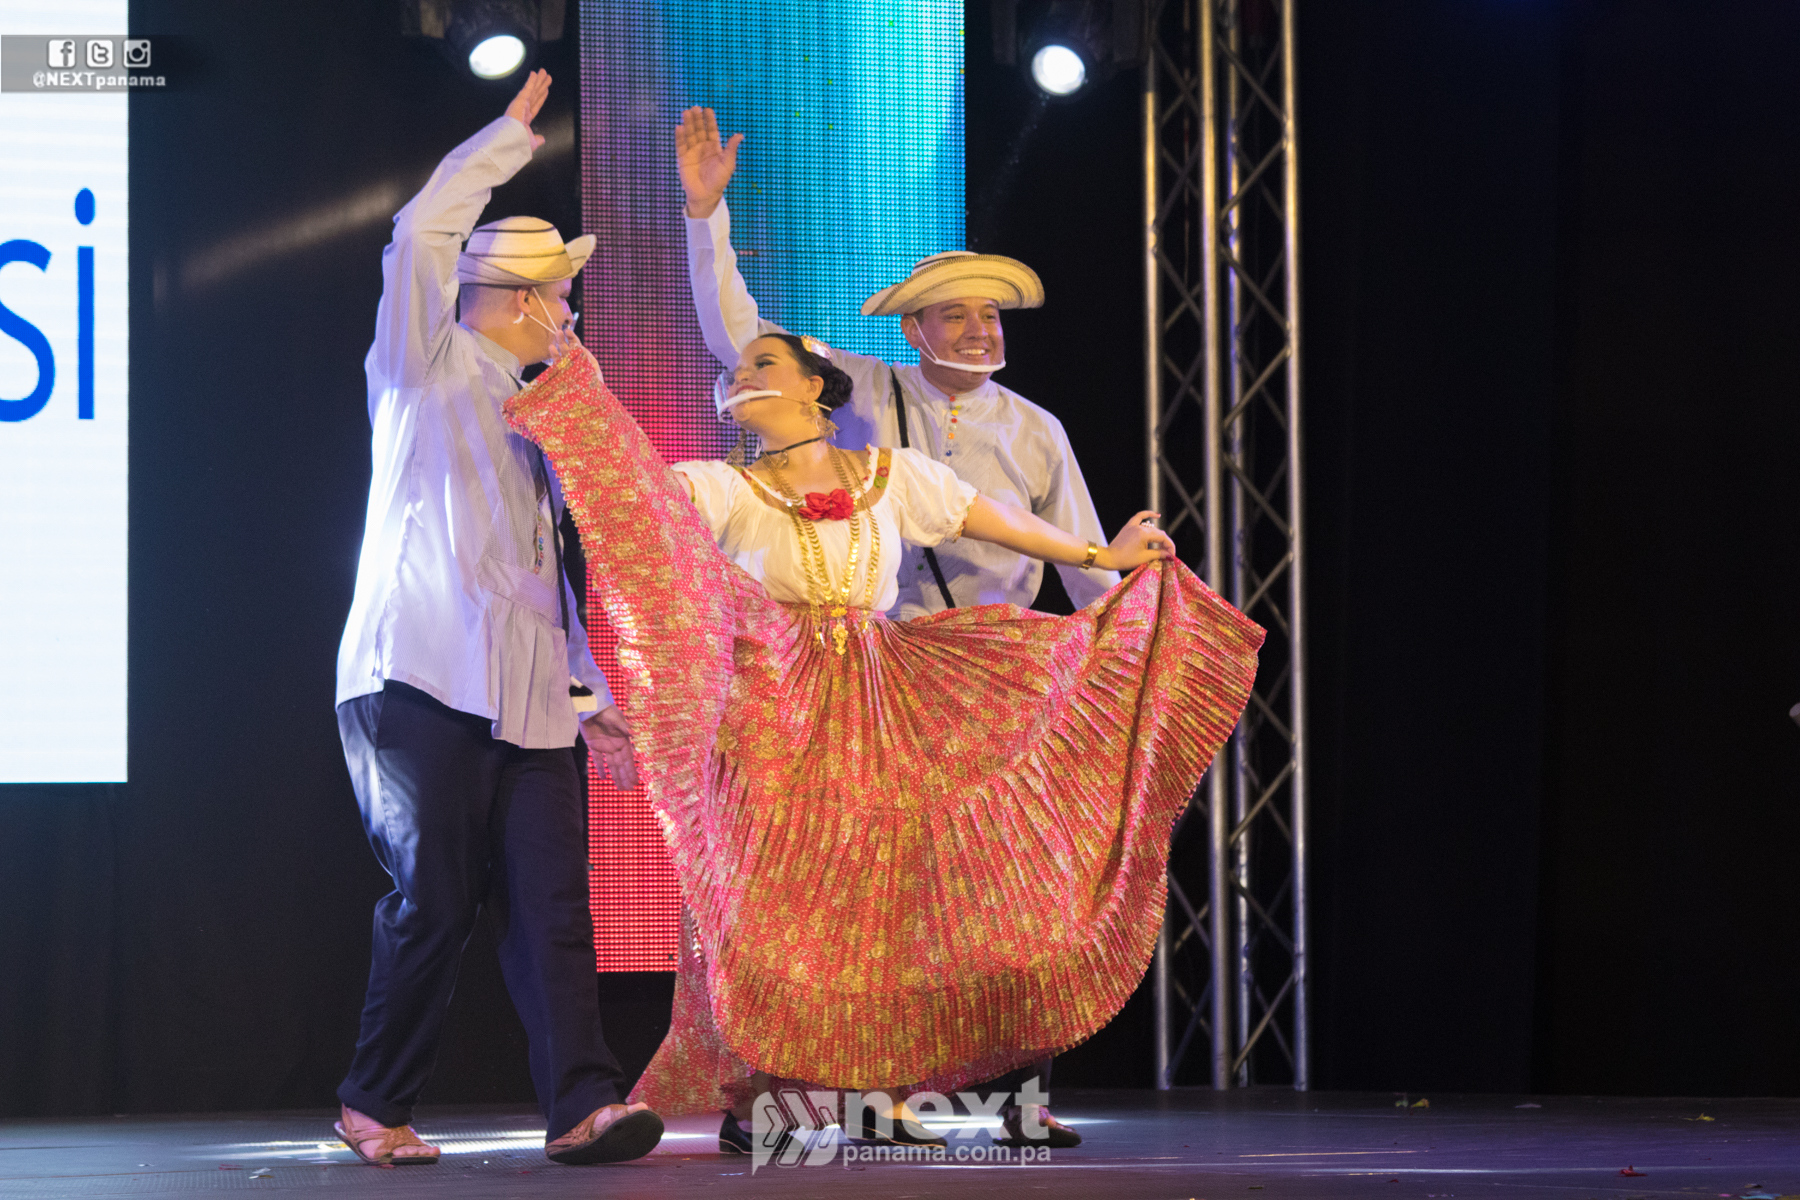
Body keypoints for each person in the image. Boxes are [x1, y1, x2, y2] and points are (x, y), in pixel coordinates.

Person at [501, 333, 1263, 1152]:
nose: (739, 376)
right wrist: (586, 397)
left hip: (878, 694)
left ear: (815, 389)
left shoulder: (891, 475)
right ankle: (762, 1102)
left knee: (888, 901)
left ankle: (881, 1091)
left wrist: (1099, 554)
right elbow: (637, 501)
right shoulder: (723, 487)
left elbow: (989, 519)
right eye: (734, 369)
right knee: (781, 902)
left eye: (762, 364)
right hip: (775, 711)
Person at [674, 104, 1120, 1146]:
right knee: (879, 897)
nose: (979, 332)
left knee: (1013, 885)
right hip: (871, 687)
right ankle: (859, 1091)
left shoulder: (1037, 429)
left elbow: (1077, 549)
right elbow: (743, 337)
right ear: (913, 330)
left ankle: (1019, 1097)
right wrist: (706, 218)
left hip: (994, 691)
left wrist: (1119, 639)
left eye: (990, 317)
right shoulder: (866, 394)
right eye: (954, 317)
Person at [331, 70, 661, 1167]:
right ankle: (373, 1102)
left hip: (531, 696)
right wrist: (505, 143)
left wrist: (590, 693)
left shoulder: (543, 412)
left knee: (554, 905)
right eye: (561, 297)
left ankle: (583, 1106)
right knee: (433, 900)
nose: (571, 315)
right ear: (521, 299)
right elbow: (420, 234)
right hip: (417, 676)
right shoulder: (420, 364)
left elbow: (544, 573)